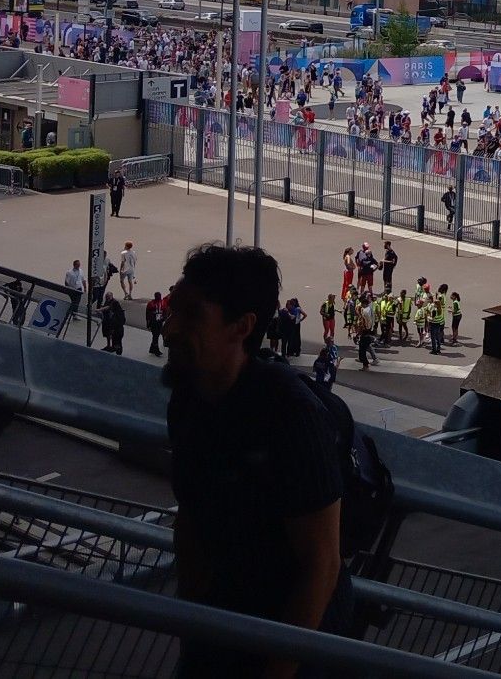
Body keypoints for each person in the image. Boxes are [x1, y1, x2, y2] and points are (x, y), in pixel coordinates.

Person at [162, 245, 349, 679]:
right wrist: (193, 624)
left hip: (299, 647)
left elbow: (322, 564)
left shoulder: (292, 416)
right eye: (175, 310)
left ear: (241, 327)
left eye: (192, 316)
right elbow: (190, 519)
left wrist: (276, 671)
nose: (170, 330)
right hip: (221, 626)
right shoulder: (188, 398)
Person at [146, 291, 168, 357]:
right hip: (153, 322)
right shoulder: (151, 303)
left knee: (156, 335)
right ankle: (156, 350)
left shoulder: (163, 303)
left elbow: (165, 311)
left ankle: (152, 349)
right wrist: (148, 323)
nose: (158, 297)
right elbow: (147, 314)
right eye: (157, 296)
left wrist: (164, 318)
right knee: (155, 336)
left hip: (159, 321)